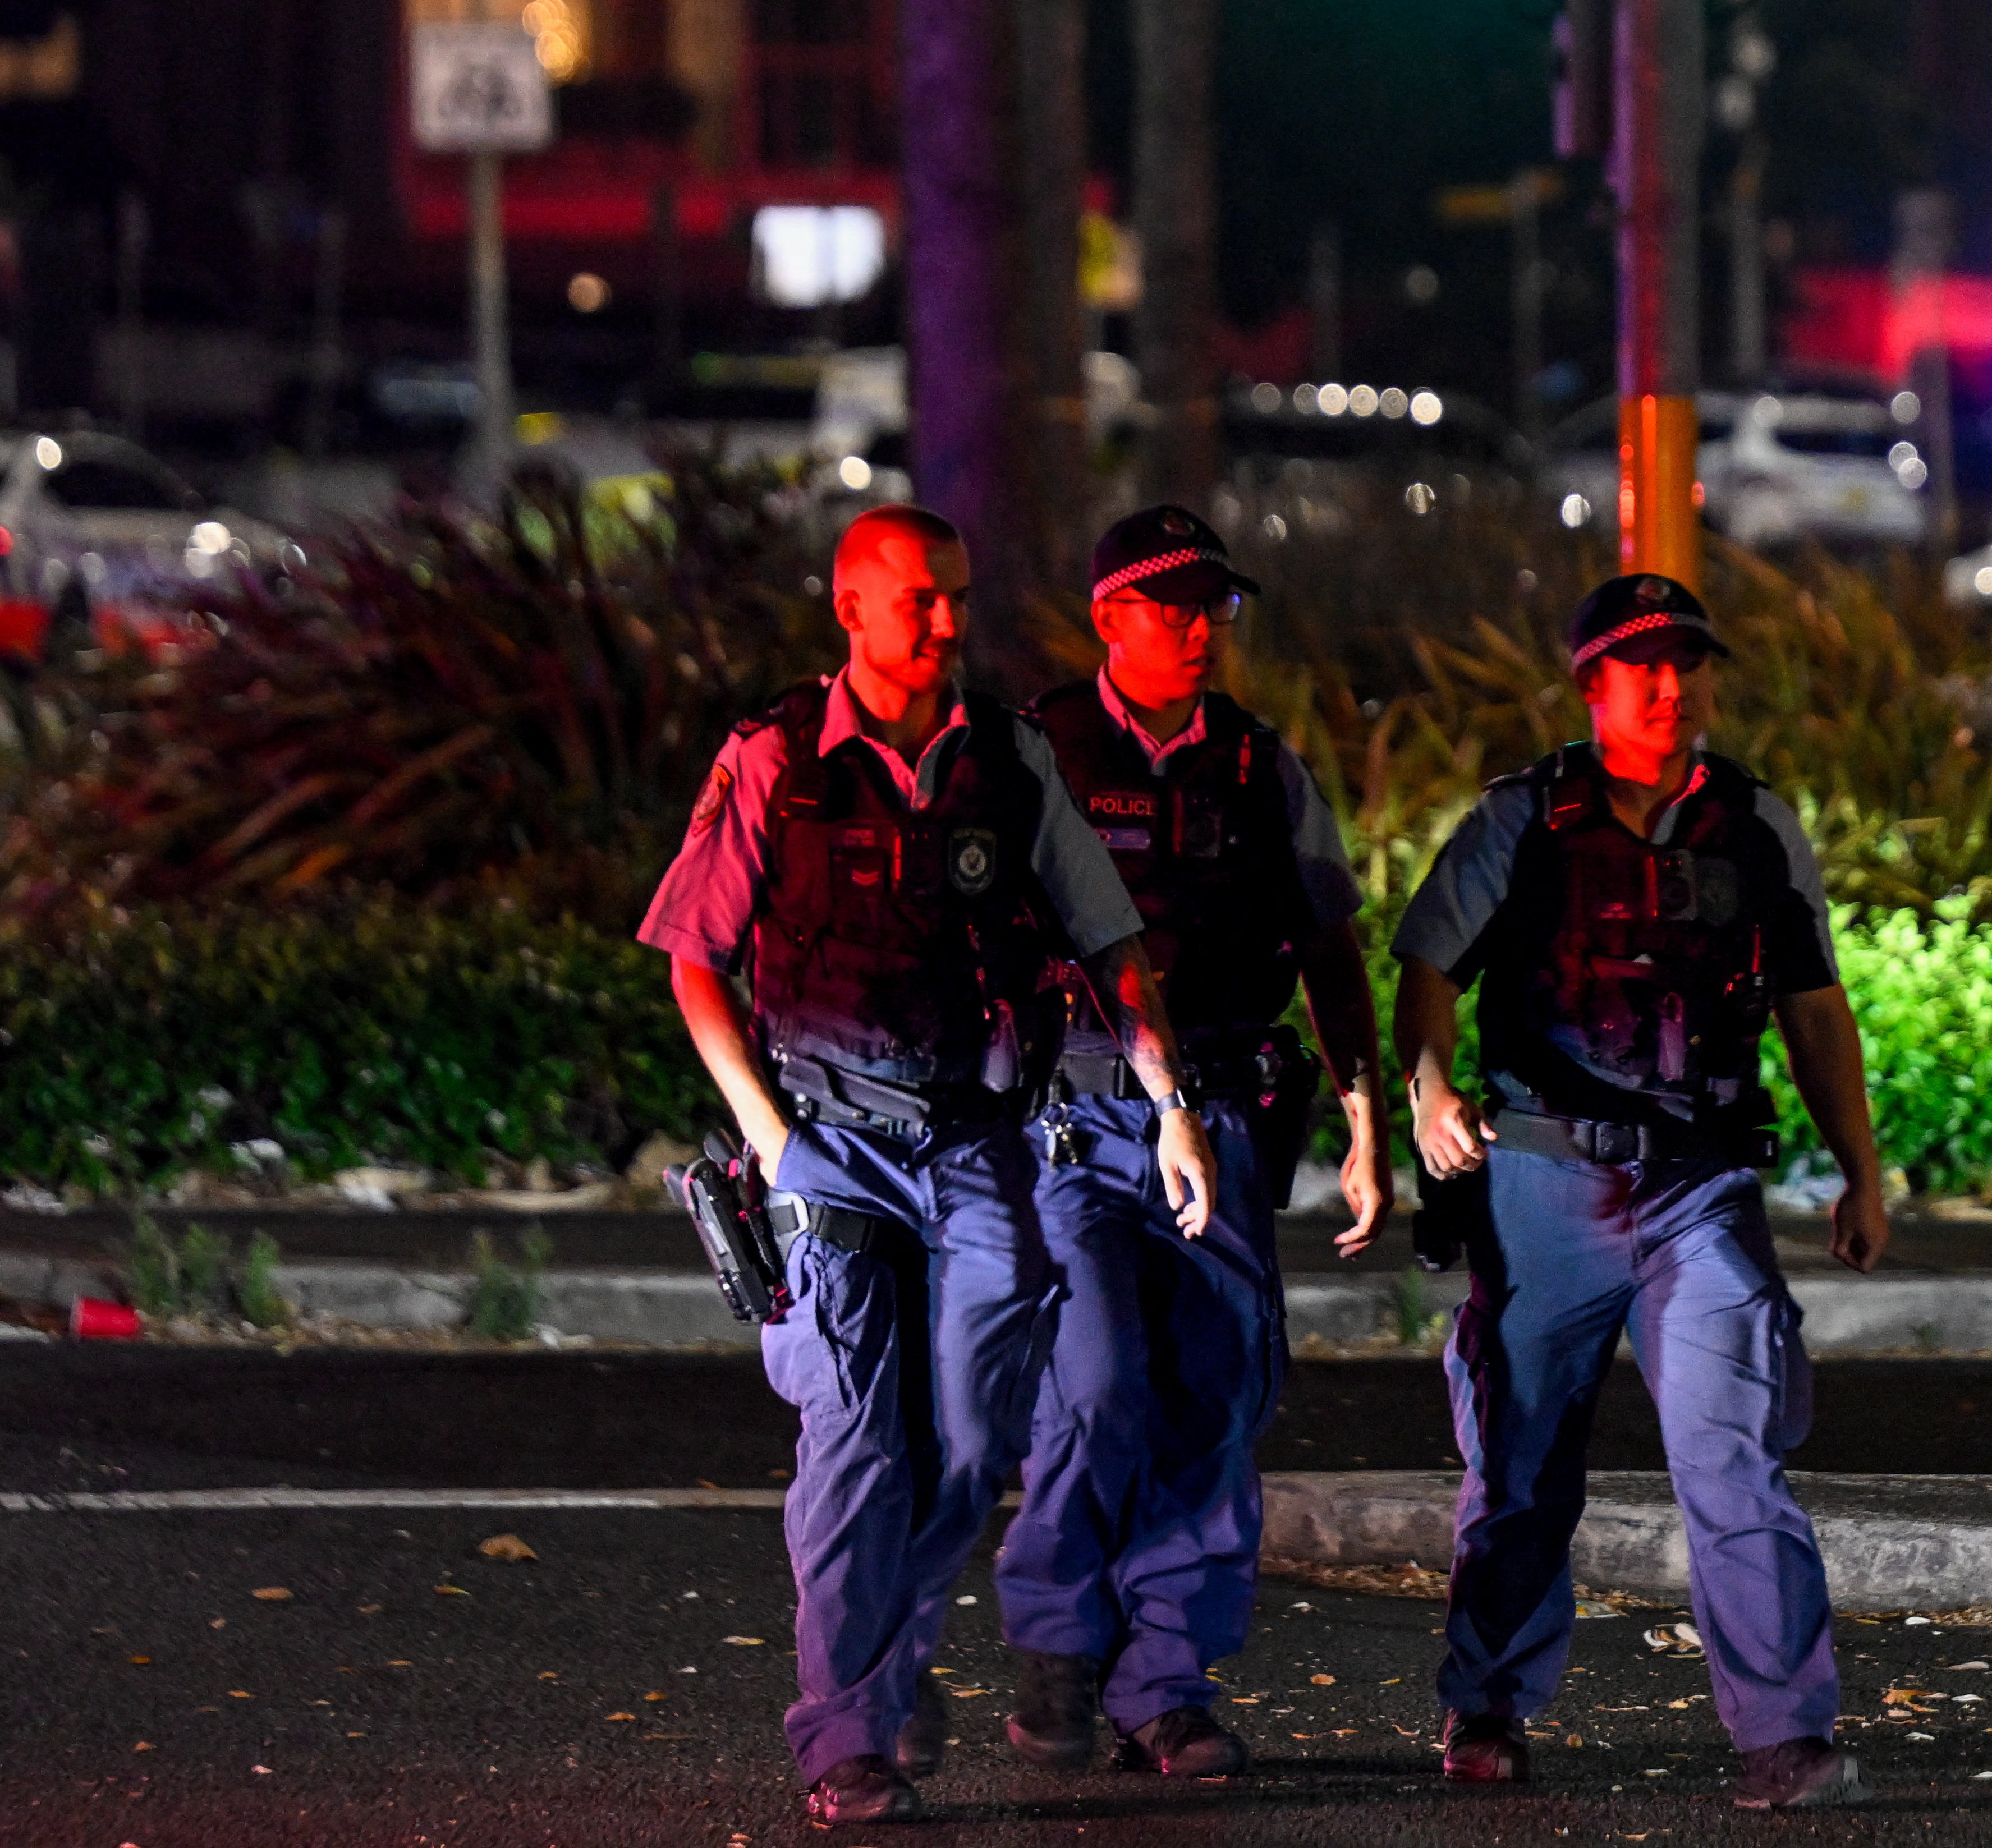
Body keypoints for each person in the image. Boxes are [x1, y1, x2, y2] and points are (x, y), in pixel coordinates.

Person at [640, 504, 1217, 1826]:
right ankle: (847, 1732)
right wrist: (775, 1144)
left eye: (958, 595)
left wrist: (1168, 1100)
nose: (950, 622)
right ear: (853, 612)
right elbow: (693, 959)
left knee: (967, 1442)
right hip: (827, 1145)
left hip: (973, 1141)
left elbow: (1109, 940)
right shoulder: (778, 759)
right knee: (854, 1441)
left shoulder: (1009, 761)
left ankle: (887, 1660)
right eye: (922, 601)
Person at [1390, 571, 1892, 1812]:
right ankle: (1489, 1705)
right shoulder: (1522, 821)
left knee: (1733, 1457)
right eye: (1642, 668)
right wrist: (1430, 1090)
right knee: (1519, 1463)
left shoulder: (1757, 826)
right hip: (1542, 1185)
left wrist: (1862, 1173)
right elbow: (1425, 966)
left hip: (1698, 1188)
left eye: (1689, 666)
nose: (1671, 690)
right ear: (1593, 686)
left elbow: (1815, 1009)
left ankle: (1787, 1737)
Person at [997, 504, 1394, 1775]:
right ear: (1109, 616)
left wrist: (1366, 1117)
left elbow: (1332, 949)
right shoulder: (1034, 754)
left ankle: (1163, 1683)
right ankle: (1061, 1642)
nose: (1198, 631)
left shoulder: (1260, 768)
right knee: (1099, 1380)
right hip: (1072, 1109)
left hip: (1220, 1110)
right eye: (1170, 607)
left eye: (1210, 609)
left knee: (1216, 1392)